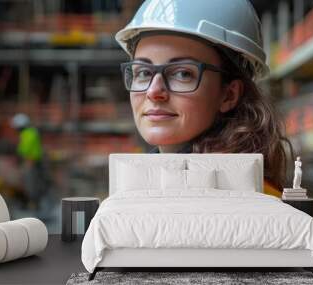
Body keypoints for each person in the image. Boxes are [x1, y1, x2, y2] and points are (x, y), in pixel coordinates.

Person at [115, 0, 293, 196]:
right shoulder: (149, 185)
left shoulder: (253, 200)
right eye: (143, 73)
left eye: (183, 74)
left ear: (229, 95)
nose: (153, 91)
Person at [10, 113, 48, 210]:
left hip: (30, 161)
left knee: (31, 183)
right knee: (32, 183)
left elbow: (25, 149)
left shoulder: (28, 133)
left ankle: (34, 204)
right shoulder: (31, 132)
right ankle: (33, 203)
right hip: (32, 161)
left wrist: (19, 154)